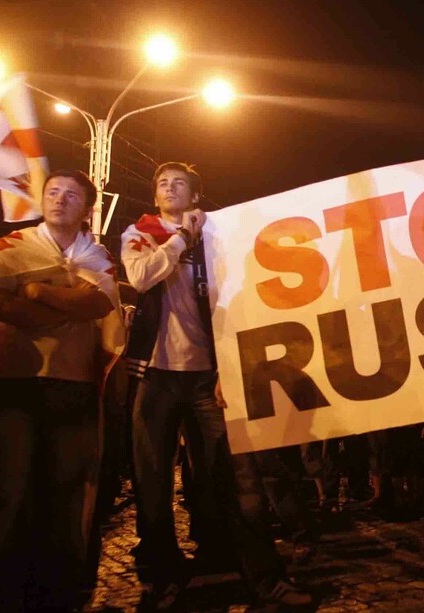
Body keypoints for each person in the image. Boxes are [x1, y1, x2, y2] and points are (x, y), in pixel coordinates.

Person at [121, 162, 312, 609]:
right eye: (163, 183)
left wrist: (229, 366)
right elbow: (141, 276)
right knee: (152, 483)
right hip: (156, 374)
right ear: (155, 195)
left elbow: (235, 300)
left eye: (180, 183)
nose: (170, 188)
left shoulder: (218, 237)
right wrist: (180, 239)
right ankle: (160, 579)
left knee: (236, 480)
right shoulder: (140, 232)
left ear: (195, 196)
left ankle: (264, 578)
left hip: (208, 376)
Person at [0, 170, 123, 611]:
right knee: (6, 493)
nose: (59, 199)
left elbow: (98, 303)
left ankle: (55, 593)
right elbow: (1, 307)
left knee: (65, 494)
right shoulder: (10, 247)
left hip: (74, 387)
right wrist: (66, 303)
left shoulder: (98, 256)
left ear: (87, 209)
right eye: (52, 192)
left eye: (71, 194)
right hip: (15, 386)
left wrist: (35, 291)